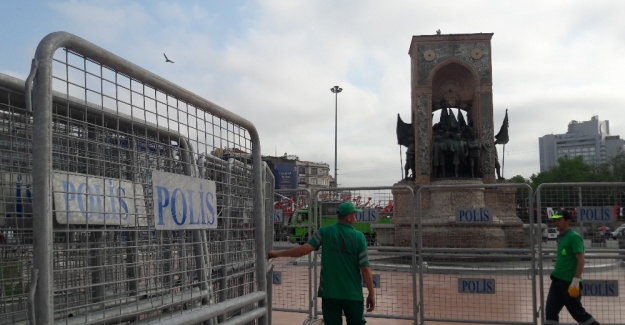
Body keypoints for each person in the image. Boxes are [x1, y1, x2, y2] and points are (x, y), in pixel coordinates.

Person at [268, 202, 375, 325]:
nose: (356, 219)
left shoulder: (324, 232)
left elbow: (303, 250)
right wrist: (371, 293)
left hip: (330, 293)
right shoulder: (359, 237)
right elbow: (365, 268)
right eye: (355, 215)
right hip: (353, 294)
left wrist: (277, 253)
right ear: (348, 217)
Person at [545, 209, 600, 325]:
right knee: (550, 312)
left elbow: (581, 260)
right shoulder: (562, 237)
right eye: (555, 220)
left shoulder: (574, 237)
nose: (556, 223)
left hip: (569, 283)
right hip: (557, 280)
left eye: (559, 220)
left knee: (578, 314)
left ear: (568, 221)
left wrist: (575, 282)